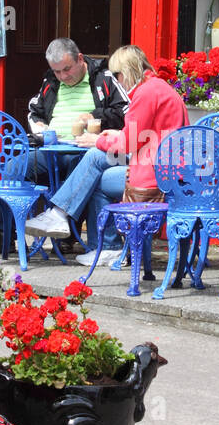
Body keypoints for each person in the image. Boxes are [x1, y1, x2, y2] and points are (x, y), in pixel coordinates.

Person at [25, 44, 188, 265]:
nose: (118, 82)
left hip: (155, 172)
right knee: (96, 164)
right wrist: (114, 134)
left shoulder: (146, 93)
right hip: (164, 165)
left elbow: (128, 144)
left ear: (126, 72)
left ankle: (88, 232)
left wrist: (99, 139)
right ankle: (69, 221)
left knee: (96, 169)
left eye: (118, 76)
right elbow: (142, 135)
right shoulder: (158, 87)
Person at [0, 38, 127, 252]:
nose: (63, 76)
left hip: (86, 149)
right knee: (13, 167)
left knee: (76, 167)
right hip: (52, 149)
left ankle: (66, 234)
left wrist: (95, 116)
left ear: (80, 59)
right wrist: (39, 128)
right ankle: (1, 233)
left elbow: (124, 111)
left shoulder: (103, 79)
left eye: (67, 69)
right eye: (58, 71)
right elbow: (34, 111)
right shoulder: (51, 82)